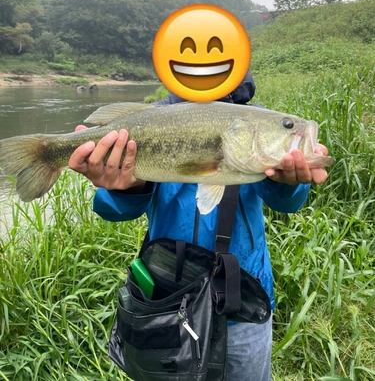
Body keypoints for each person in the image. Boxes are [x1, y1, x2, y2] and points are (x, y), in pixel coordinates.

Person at [68, 72, 329, 381]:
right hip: (168, 303)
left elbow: (286, 203)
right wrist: (122, 189)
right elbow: (115, 211)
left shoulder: (251, 118)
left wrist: (289, 184)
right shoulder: (150, 121)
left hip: (244, 302)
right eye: (288, 126)